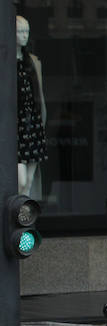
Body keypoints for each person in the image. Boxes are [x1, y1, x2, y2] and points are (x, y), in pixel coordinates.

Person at [16, 15, 47, 196]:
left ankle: (23, 217)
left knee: (27, 184)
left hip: (32, 123)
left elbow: (39, 95)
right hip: (15, 125)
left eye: (26, 31)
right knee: (20, 180)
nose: (24, 35)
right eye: (20, 31)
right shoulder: (6, 62)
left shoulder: (33, 61)